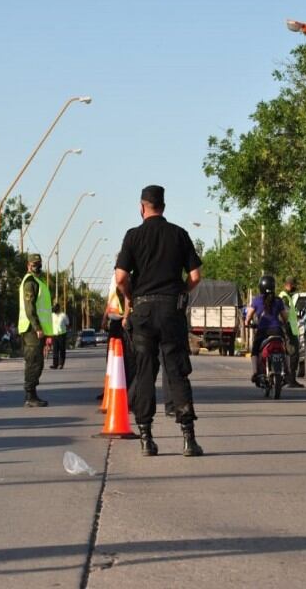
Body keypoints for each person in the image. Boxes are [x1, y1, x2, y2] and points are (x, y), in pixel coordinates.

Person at [115, 185, 204, 457]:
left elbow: (120, 278)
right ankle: (188, 439)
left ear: (142, 207)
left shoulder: (133, 236)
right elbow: (195, 276)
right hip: (170, 311)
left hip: (142, 312)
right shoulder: (178, 235)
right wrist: (179, 292)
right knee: (176, 370)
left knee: (145, 371)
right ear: (163, 207)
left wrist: (131, 297)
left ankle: (146, 438)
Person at [18, 254, 54, 407]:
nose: (36, 267)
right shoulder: (30, 282)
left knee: (37, 362)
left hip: (37, 330)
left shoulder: (39, 282)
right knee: (33, 362)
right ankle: (29, 396)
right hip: (31, 329)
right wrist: (38, 327)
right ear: (28, 266)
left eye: (38, 264)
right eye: (34, 264)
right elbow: (29, 307)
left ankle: (32, 394)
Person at [100, 270, 136, 400]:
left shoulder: (126, 277)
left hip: (123, 321)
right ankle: (109, 389)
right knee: (111, 358)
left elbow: (128, 298)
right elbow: (111, 300)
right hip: (114, 321)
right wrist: (105, 317)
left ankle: (127, 391)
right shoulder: (113, 278)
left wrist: (126, 317)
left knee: (126, 358)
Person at [245, 275, 288, 384]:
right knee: (285, 349)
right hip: (277, 331)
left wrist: (247, 323)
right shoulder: (278, 301)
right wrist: (284, 324)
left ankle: (255, 372)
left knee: (255, 351)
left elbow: (249, 316)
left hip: (263, 332)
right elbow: (285, 317)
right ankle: (287, 370)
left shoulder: (256, 300)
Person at [278, 276, 305, 388]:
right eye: (293, 285)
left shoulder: (286, 296)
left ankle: (289, 378)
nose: (294, 287)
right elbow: (284, 315)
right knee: (293, 354)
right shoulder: (284, 297)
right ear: (289, 285)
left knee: (291, 354)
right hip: (288, 330)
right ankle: (290, 379)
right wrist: (287, 329)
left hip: (290, 330)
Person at [50, 304, 69, 370]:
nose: (54, 309)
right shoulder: (52, 315)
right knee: (55, 350)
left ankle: (61, 364)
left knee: (62, 350)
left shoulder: (63, 315)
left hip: (62, 334)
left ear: (58, 308)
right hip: (54, 335)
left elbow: (67, 324)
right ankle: (55, 364)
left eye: (55, 308)